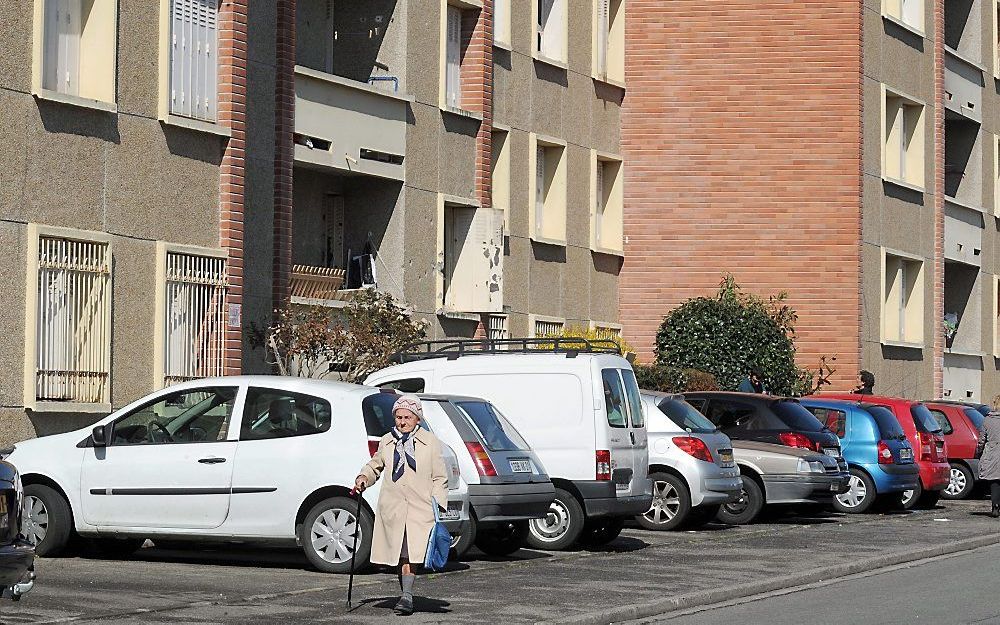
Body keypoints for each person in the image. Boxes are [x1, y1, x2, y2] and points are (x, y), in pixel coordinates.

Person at [354, 394, 448, 615]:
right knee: (400, 552)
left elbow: (440, 477)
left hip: (420, 508)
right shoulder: (387, 440)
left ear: (417, 418)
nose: (402, 421)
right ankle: (406, 594)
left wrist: (437, 503)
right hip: (393, 508)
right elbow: (375, 464)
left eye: (407, 417)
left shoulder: (430, 442)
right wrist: (363, 478)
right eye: (399, 417)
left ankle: (406, 595)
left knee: (412, 553)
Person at [975, 396, 1000, 518]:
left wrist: (979, 452)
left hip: (992, 452)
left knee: (995, 481)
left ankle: (995, 505)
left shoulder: (987, 420)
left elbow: (981, 440)